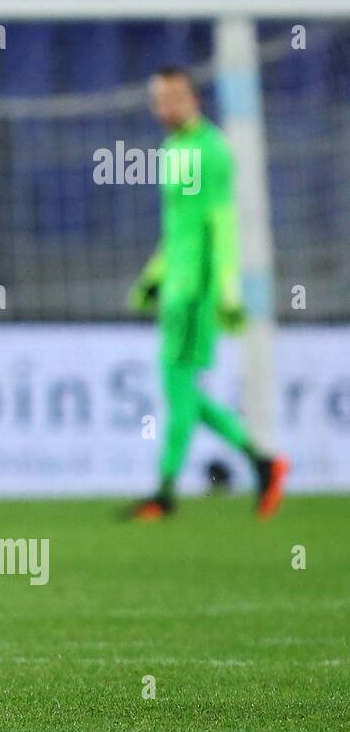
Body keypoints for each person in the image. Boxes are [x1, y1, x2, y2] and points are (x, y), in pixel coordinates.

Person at [127, 66, 288, 521]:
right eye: (158, 99)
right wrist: (153, 277)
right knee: (184, 395)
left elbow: (222, 224)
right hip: (176, 287)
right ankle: (264, 463)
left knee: (179, 392)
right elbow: (178, 228)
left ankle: (164, 492)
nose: (164, 107)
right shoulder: (172, 148)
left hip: (197, 291)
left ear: (192, 98)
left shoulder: (213, 150)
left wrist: (229, 289)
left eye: (172, 98)